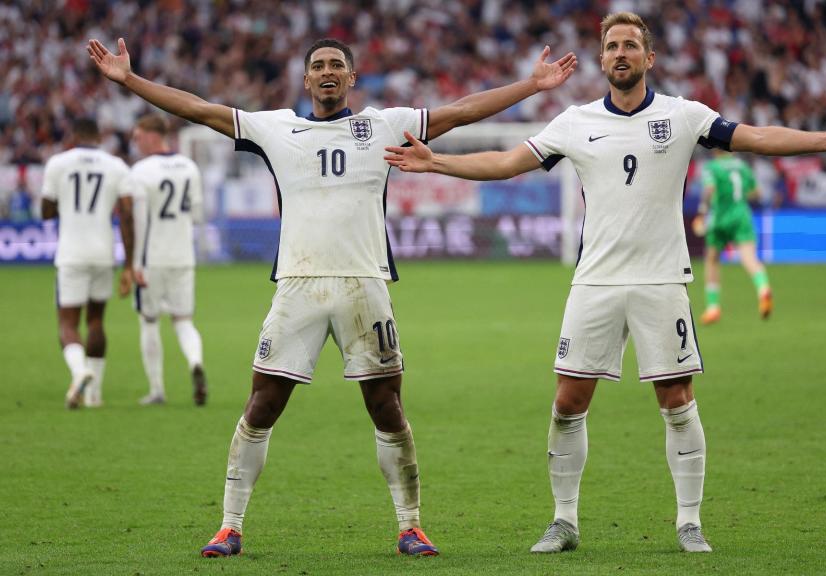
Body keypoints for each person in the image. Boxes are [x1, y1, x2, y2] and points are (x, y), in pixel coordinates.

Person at [385, 11, 826, 554]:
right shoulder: (574, 122)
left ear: (650, 58)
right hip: (595, 283)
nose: (620, 54)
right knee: (569, 400)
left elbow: (754, 137)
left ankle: (689, 521)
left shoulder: (685, 115)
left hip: (662, 281)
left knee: (677, 398)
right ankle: (564, 521)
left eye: (630, 46)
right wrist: (438, 162)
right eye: (611, 46)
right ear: (602, 59)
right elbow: (508, 161)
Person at [88, 35, 576, 558]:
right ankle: (230, 526)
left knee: (387, 406)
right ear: (305, 79)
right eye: (317, 65)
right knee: (262, 405)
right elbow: (200, 110)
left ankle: (410, 526)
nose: (326, 72)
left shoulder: (386, 124)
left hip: (365, 286)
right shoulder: (276, 127)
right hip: (297, 287)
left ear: (351, 78)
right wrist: (130, 81)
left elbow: (458, 112)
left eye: (336, 66)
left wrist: (532, 84)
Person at [41, 117, 138, 409]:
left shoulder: (58, 163)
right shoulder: (117, 166)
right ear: (99, 137)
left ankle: (79, 371)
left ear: (73, 135)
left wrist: (65, 202)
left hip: (71, 253)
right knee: (96, 320)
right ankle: (94, 395)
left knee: (68, 324)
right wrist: (129, 264)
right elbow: (127, 216)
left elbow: (46, 211)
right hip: (103, 253)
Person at [129, 113, 208, 406]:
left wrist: (134, 263)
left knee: (149, 320)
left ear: (152, 135)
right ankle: (195, 361)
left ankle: (157, 390)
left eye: (138, 138)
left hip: (152, 258)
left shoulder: (140, 171)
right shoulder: (189, 167)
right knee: (183, 320)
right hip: (183, 256)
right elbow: (198, 215)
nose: (136, 144)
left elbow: (138, 221)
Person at [693, 151, 772, 325]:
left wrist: (702, 213)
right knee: (749, 258)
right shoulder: (742, 166)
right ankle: (763, 288)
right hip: (741, 215)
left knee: (712, 260)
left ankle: (713, 307)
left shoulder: (712, 167)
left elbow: (709, 189)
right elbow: (757, 193)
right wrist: (739, 197)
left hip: (720, 216)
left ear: (714, 150)